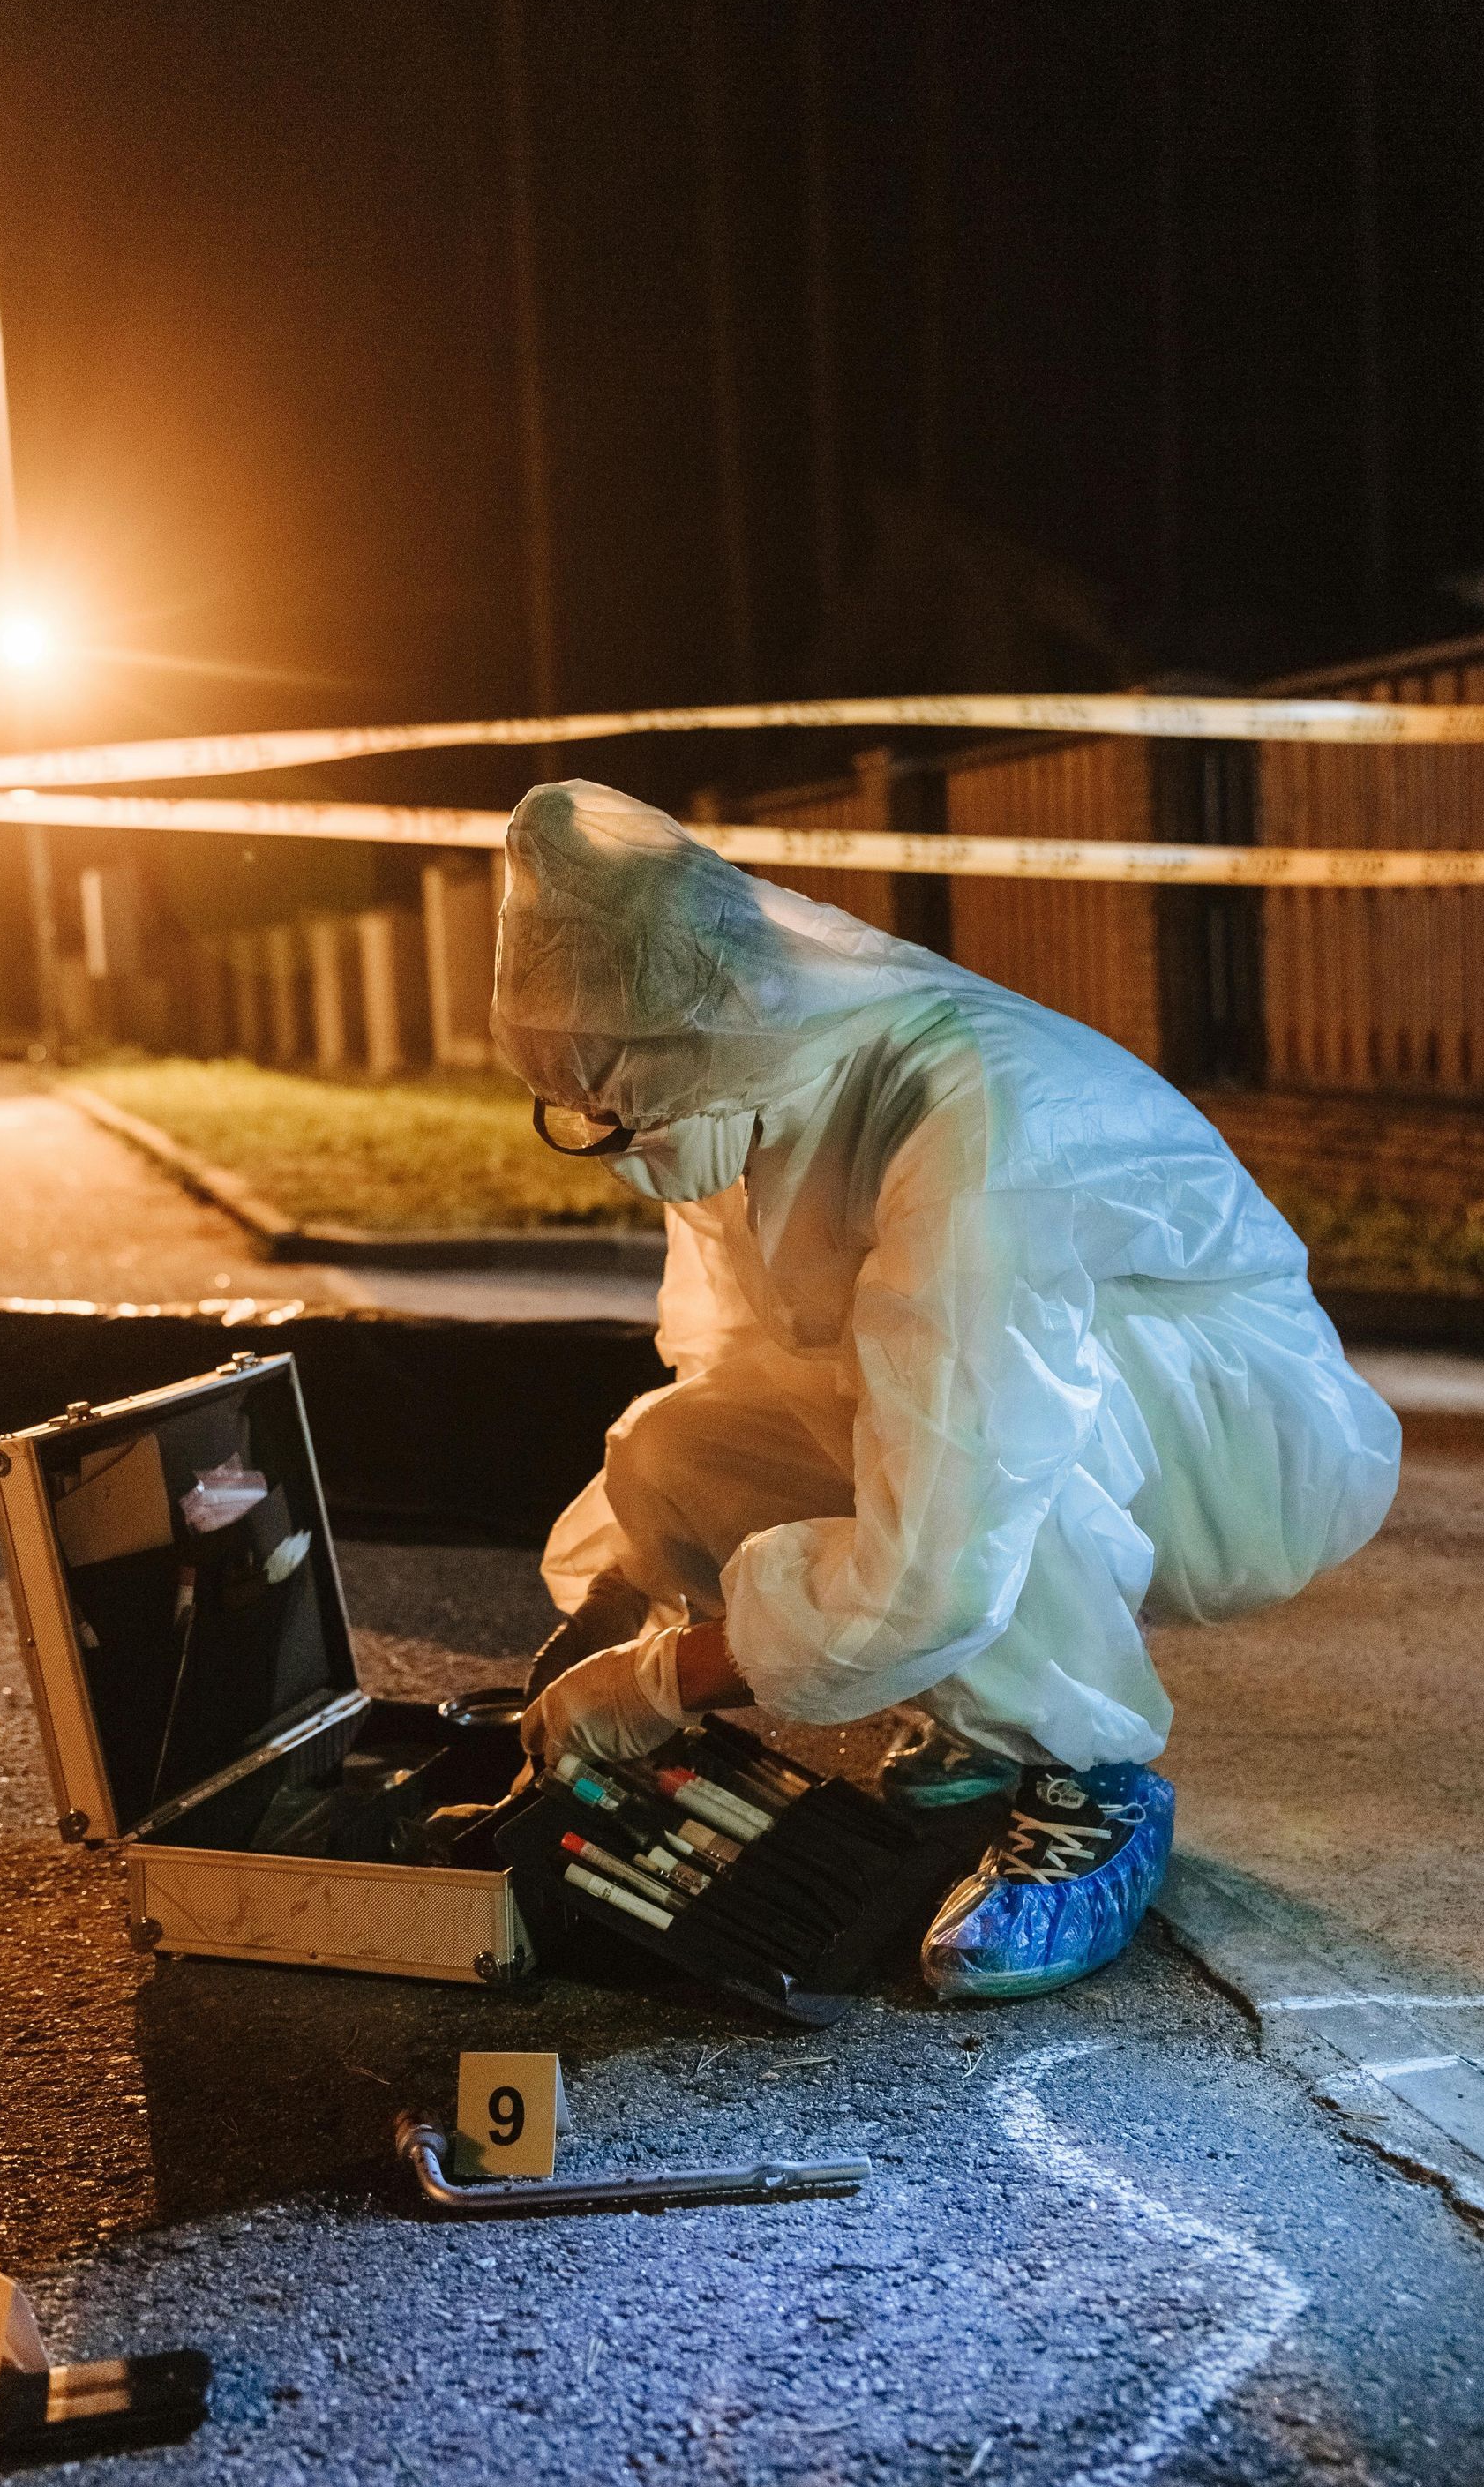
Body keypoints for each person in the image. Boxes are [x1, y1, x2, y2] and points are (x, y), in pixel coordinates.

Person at [494, 779, 1400, 1998]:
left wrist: (669, 1682)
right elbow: (732, 1371)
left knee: (972, 1440)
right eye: (585, 1102)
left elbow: (953, 1526)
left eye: (620, 1097)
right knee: (676, 1446)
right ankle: (977, 1717)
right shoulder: (740, 1091)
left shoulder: (967, 1116)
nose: (613, 1129)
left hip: (1240, 1438)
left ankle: (1093, 1787)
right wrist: (618, 1618)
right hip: (1023, 1412)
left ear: (711, 1022)